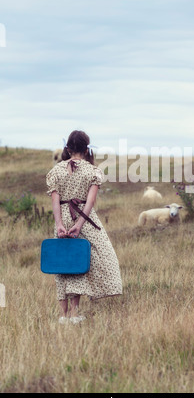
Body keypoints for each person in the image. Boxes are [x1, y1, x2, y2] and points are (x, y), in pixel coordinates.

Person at [46, 130, 122, 324]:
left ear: (68, 148)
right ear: (86, 148)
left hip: (62, 216)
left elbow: (55, 201)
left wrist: (60, 224)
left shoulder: (56, 171)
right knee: (80, 262)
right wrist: (79, 224)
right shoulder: (92, 171)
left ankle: (63, 315)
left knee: (62, 263)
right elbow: (90, 201)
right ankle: (75, 313)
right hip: (84, 219)